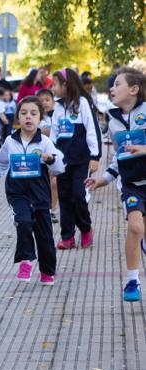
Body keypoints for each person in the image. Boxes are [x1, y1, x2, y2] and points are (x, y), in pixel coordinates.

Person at [0, 97, 65, 283]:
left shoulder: (45, 142)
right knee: (22, 222)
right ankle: (26, 259)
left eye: (33, 113)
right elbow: (1, 161)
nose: (28, 117)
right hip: (17, 191)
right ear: (17, 118)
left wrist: (51, 160)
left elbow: (59, 168)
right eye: (23, 113)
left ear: (40, 119)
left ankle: (47, 271)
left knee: (44, 233)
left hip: (40, 191)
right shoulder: (10, 141)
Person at [85, 67, 146, 301]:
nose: (112, 88)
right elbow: (118, 157)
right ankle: (132, 281)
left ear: (133, 89)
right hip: (131, 184)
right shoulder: (112, 120)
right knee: (136, 227)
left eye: (117, 84)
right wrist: (103, 179)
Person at [50, 68, 101, 249]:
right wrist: (51, 158)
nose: (52, 87)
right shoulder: (57, 107)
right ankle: (67, 237)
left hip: (81, 160)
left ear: (66, 85)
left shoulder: (83, 104)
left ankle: (86, 229)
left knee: (78, 195)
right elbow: (53, 135)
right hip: (62, 162)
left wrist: (95, 156)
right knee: (64, 198)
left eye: (55, 84)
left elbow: (92, 131)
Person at [37, 88, 59, 223]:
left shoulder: (58, 115)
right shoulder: (36, 117)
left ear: (53, 102)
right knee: (43, 183)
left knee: (54, 182)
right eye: (41, 100)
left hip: (56, 153)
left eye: (47, 100)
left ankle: (52, 210)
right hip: (40, 155)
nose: (44, 103)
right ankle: (42, 208)